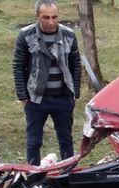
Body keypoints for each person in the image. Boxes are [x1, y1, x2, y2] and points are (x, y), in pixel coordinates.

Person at [13, 0, 81, 164]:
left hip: (63, 97)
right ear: (37, 16)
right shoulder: (26, 35)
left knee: (65, 139)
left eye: (54, 17)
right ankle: (33, 177)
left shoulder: (69, 35)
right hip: (36, 99)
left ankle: (67, 175)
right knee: (34, 140)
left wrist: (74, 93)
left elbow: (76, 64)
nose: (50, 22)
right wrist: (23, 96)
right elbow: (18, 66)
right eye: (45, 17)